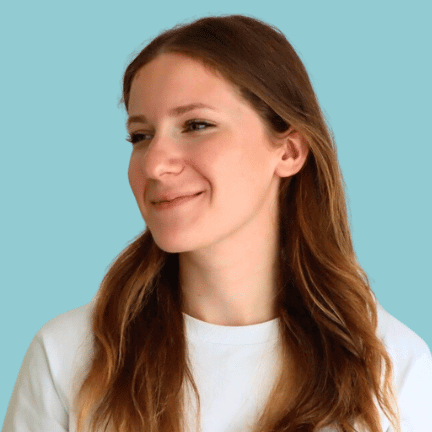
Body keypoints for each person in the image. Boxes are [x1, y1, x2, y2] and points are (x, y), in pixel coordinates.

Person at [2, 14, 432, 432]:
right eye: (141, 136)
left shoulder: (392, 368)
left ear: (288, 152)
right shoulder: (66, 356)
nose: (154, 164)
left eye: (196, 125)